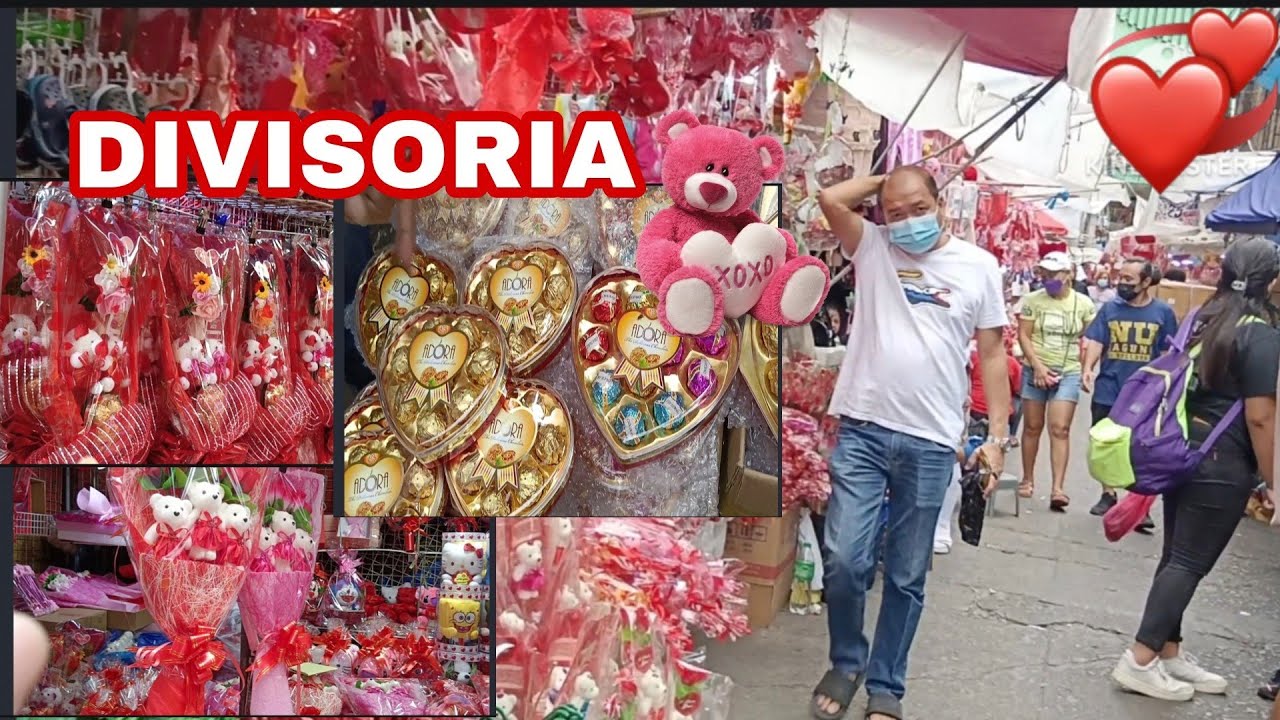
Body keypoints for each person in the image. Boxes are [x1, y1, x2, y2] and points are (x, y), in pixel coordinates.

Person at [811, 166, 1011, 720]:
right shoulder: (873, 248)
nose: (908, 221)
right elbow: (828, 198)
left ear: (940, 204)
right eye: (896, 213)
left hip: (931, 441)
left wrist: (996, 438)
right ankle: (846, 660)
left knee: (906, 574)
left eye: (918, 208)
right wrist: (886, 185)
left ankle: (886, 687)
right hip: (864, 429)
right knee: (845, 561)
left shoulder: (979, 267)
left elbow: (993, 355)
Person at [1110, 238, 1279, 702]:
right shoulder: (1261, 333)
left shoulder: (1203, 318)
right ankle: (1140, 660)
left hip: (1183, 449)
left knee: (1175, 556)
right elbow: (1261, 416)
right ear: (1270, 280)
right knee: (1188, 562)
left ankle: (1169, 650)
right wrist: (1271, 480)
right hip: (1224, 462)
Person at [1082, 259, 1178, 529]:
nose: (1122, 283)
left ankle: (1137, 503)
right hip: (1110, 387)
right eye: (1120, 277)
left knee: (1140, 448)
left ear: (1146, 282)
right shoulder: (1110, 308)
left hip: (1145, 394)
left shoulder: (1163, 313)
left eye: (1129, 279)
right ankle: (1108, 494)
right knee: (1104, 442)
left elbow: (1166, 353)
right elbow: (1097, 340)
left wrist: (1166, 387)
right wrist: (1088, 368)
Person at [1016, 252, 1096, 511]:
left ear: (1068, 274)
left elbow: (1090, 337)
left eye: (1055, 274)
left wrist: (1086, 367)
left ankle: (1058, 488)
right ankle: (1027, 479)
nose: (1049, 279)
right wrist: (1038, 368)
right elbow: (1024, 336)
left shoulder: (1083, 304)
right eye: (1046, 274)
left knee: (1060, 428)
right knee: (1032, 426)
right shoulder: (1031, 301)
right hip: (1034, 369)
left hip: (1068, 370)